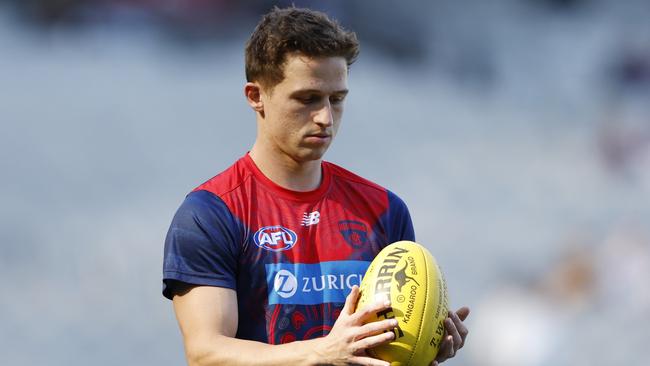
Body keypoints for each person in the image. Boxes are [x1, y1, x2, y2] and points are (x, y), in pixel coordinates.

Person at [162, 7, 469, 366]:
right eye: (307, 99)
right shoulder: (211, 214)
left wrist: (424, 347)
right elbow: (206, 353)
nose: (325, 117)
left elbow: (389, 345)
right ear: (255, 95)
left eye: (336, 99)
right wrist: (323, 352)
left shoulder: (385, 210)